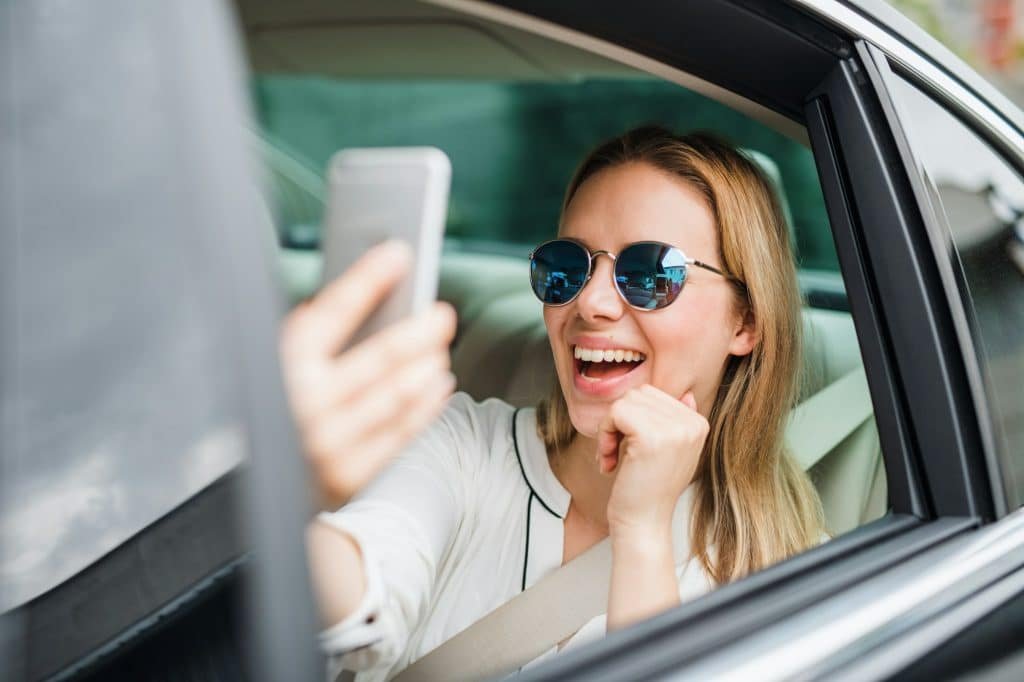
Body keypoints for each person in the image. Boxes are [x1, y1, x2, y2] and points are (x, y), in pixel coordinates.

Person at [280, 126, 826, 681]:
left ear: (748, 321)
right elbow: (362, 587)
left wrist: (641, 532)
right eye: (568, 266)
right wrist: (289, 495)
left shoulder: (790, 570)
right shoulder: (460, 445)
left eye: (650, 273)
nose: (590, 303)